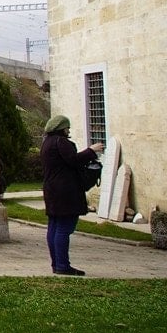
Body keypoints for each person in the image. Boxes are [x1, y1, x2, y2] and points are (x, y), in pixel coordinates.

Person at [40, 115, 104, 276]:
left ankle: (57, 264)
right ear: (62, 128)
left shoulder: (47, 143)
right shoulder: (61, 142)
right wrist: (92, 151)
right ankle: (62, 265)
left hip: (51, 189)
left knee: (54, 226)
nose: (68, 130)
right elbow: (73, 160)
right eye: (67, 128)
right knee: (64, 228)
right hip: (65, 191)